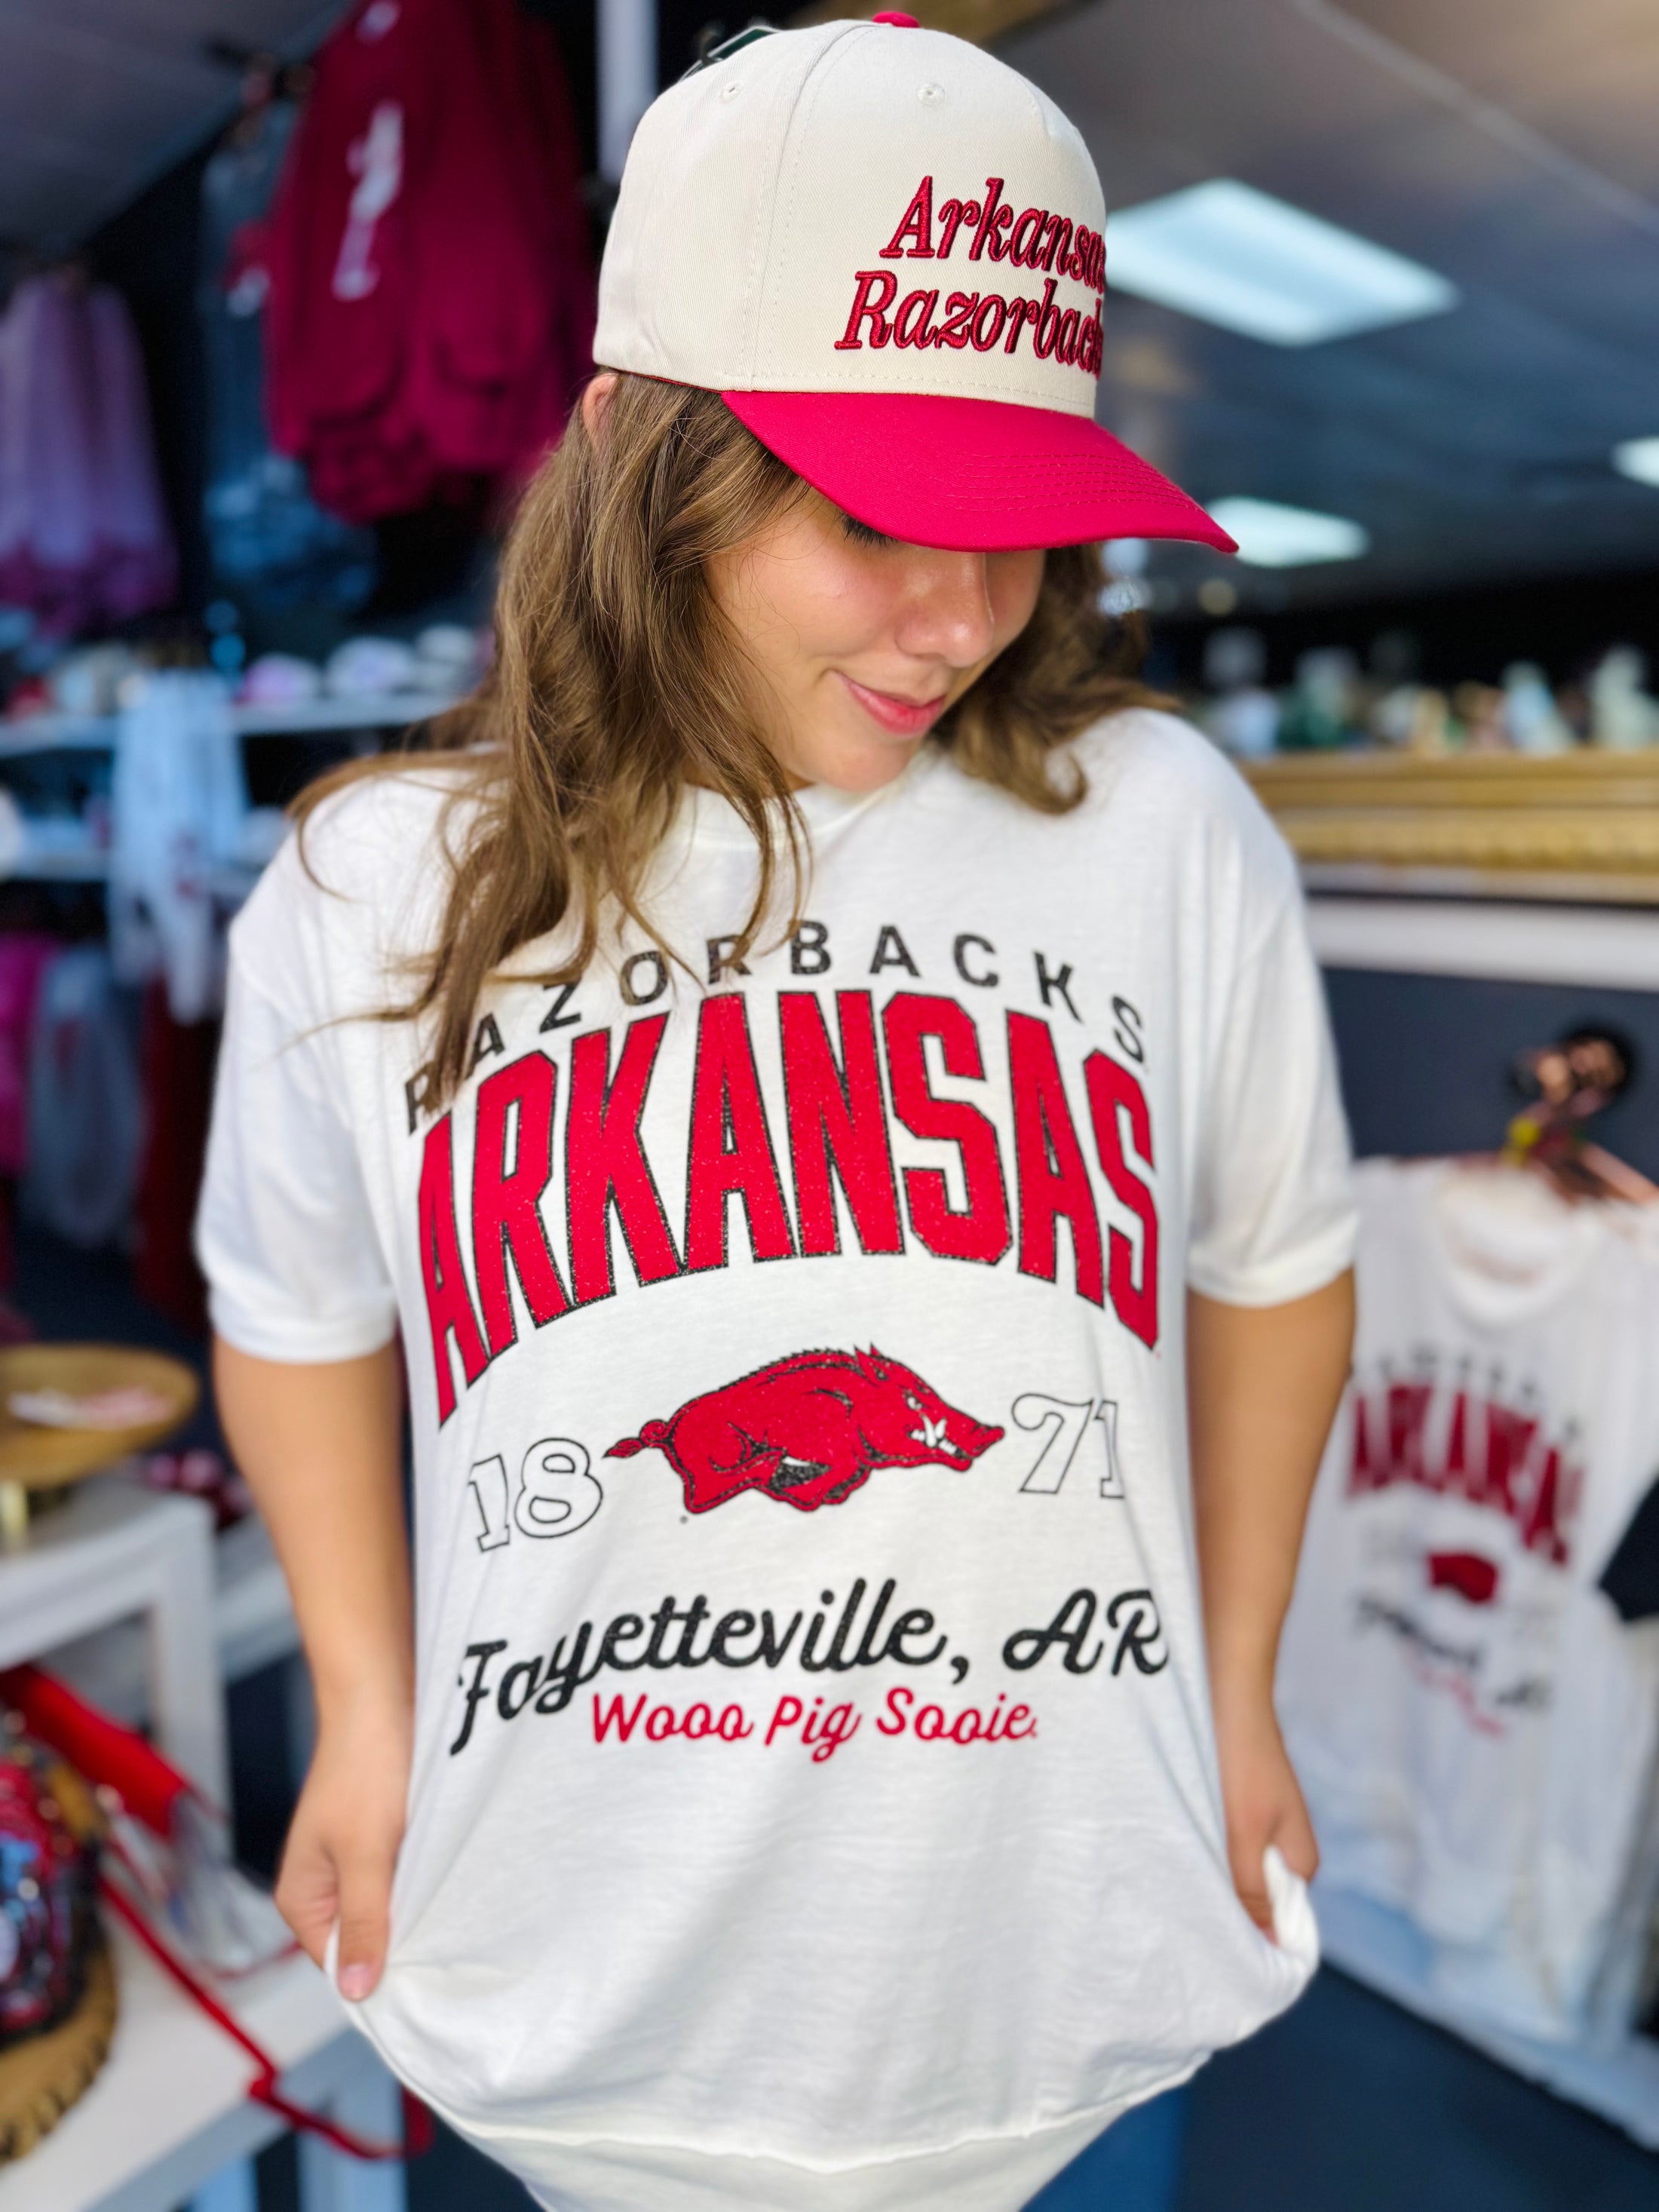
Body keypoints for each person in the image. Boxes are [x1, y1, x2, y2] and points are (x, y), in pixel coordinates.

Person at [198, 19, 1356, 2211]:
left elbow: (1277, 1272)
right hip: (585, 1973)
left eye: (1025, 521)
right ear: (658, 463)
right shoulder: (375, 886)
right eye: (885, 516)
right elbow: (296, 1306)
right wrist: (364, 1699)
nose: (964, 612)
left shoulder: (1162, 828)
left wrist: (1239, 1680)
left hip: (1066, 1969)